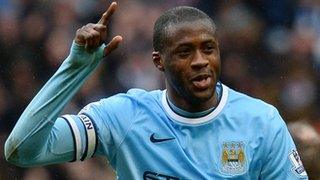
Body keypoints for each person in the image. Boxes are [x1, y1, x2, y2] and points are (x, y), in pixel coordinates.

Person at [4, 2, 308, 179]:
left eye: (209, 49)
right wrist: (75, 67)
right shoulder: (124, 117)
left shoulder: (261, 121)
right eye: (185, 52)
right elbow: (22, 149)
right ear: (158, 61)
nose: (201, 61)